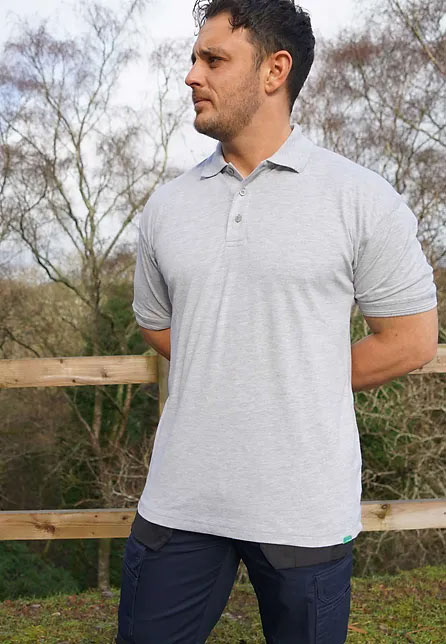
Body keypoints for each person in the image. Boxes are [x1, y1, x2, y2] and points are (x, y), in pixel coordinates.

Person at [116, 0, 438, 642]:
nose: (191, 75)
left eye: (213, 59)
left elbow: (410, 339)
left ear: (275, 70)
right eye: (194, 58)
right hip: (181, 499)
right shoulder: (167, 206)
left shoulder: (360, 198)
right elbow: (155, 323)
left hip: (304, 507)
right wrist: (230, 363)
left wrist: (292, 374)